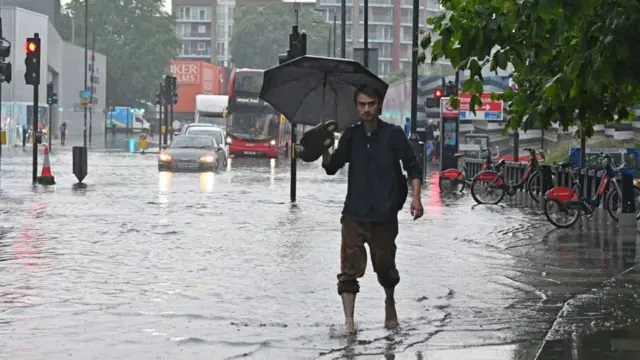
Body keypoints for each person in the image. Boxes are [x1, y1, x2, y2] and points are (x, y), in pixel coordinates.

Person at [321, 84, 424, 334]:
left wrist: (416, 198)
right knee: (348, 270)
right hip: (354, 213)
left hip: (384, 215)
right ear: (356, 106)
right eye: (361, 105)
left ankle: (390, 302)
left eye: (371, 104)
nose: (366, 110)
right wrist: (322, 147)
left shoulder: (393, 135)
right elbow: (332, 167)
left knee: (385, 266)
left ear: (379, 105)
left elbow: (413, 167)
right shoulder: (351, 136)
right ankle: (349, 322)